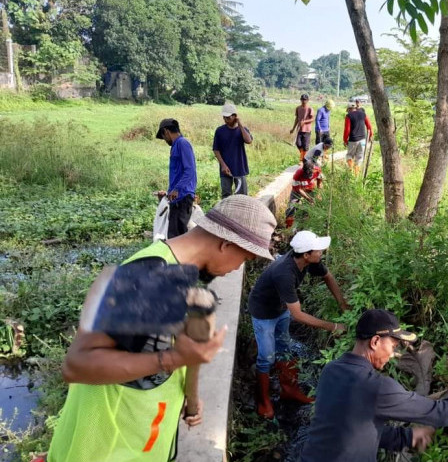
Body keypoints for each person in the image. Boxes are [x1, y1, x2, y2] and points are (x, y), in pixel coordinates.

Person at [46, 195, 278, 462]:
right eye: (244, 257)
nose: (239, 267)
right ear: (226, 244)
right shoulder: (148, 276)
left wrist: (191, 400)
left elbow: (185, 354)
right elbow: (76, 365)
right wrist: (173, 358)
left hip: (142, 443)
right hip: (103, 449)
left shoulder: (188, 279)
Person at [300, 309, 448, 461]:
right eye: (393, 345)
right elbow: (438, 413)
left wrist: (406, 438)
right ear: (375, 341)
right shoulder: (377, 387)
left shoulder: (331, 371)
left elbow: (352, 426)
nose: (394, 354)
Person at [247, 230, 350, 419]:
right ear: (306, 254)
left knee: (284, 348)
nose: (322, 253)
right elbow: (298, 315)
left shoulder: (309, 262)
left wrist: (342, 304)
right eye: (318, 250)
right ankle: (263, 401)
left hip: (281, 308)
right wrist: (333, 327)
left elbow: (328, 277)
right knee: (266, 357)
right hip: (263, 313)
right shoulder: (284, 273)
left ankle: (289, 390)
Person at [155, 118, 197, 239]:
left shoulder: (182, 143)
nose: (164, 140)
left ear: (166, 131)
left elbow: (189, 170)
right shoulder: (176, 145)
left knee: (177, 237)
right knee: (174, 235)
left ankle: (182, 258)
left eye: (163, 136)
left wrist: (177, 189)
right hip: (177, 197)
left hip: (182, 197)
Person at [213, 102, 253, 197]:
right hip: (225, 169)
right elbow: (216, 149)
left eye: (228, 118)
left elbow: (248, 140)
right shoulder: (220, 131)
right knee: (226, 195)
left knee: (242, 195)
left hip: (240, 168)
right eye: (224, 117)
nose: (226, 120)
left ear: (235, 116)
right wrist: (222, 165)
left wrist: (240, 124)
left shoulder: (242, 130)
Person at [285, 159, 324, 228]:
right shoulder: (298, 174)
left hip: (310, 189)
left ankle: (305, 221)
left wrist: (319, 193)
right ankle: (289, 226)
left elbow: (320, 182)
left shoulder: (317, 170)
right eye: (306, 175)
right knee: (292, 206)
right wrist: (308, 198)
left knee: (311, 206)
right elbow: (298, 189)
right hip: (298, 190)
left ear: (313, 169)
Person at [344, 102, 373, 175]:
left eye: (348, 110)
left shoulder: (348, 116)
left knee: (349, 155)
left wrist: (345, 140)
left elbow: (347, 129)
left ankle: (350, 171)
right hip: (362, 140)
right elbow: (369, 126)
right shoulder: (363, 114)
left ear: (349, 109)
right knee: (359, 158)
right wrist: (370, 136)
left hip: (353, 140)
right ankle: (356, 175)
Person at [291, 93, 315, 163]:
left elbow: (312, 119)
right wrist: (293, 128)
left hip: (307, 130)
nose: (303, 101)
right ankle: (303, 157)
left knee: (305, 146)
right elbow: (297, 119)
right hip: (299, 129)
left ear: (307, 100)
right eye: (302, 99)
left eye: (305, 100)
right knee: (298, 144)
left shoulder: (310, 109)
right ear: (300, 100)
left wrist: (304, 122)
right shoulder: (298, 108)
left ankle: (303, 160)